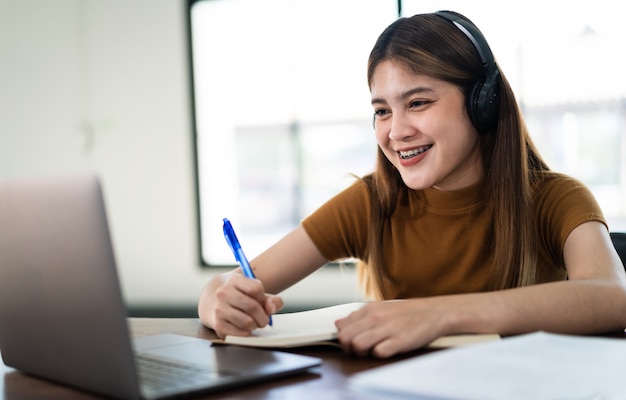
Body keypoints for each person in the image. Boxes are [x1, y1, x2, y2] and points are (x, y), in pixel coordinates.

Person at [198, 11, 626, 358]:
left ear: (483, 103)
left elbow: (612, 297)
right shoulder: (371, 201)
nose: (396, 131)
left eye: (417, 103)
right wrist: (217, 300)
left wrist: (440, 314)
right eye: (382, 111)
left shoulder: (554, 198)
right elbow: (233, 283)